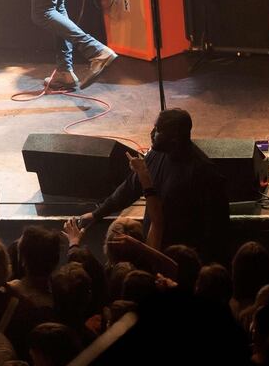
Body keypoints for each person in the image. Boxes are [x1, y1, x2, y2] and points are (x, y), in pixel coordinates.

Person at [77, 108, 230, 263]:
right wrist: (97, 213)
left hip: (180, 261)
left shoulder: (204, 172)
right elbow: (130, 188)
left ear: (174, 138)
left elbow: (216, 230)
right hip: (153, 251)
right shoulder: (155, 155)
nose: (152, 133)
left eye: (157, 130)